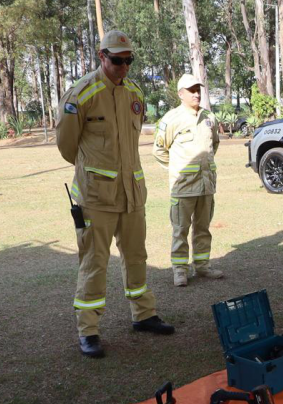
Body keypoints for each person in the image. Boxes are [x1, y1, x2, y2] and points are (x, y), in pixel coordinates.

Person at [57, 30, 174, 358]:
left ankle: (144, 314)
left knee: (137, 256)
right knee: (94, 262)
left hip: (132, 195)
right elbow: (68, 148)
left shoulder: (134, 93)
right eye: (116, 60)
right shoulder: (81, 95)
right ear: (101, 56)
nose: (124, 66)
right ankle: (89, 330)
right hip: (96, 198)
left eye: (128, 60)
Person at [152, 74, 223, 287]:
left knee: (203, 228)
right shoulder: (171, 119)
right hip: (183, 188)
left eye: (198, 90)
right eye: (191, 90)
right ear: (180, 94)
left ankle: (202, 266)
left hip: (206, 185)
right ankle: (180, 271)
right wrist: (177, 170)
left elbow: (214, 145)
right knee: (180, 230)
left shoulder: (209, 117)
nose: (196, 94)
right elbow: (159, 150)